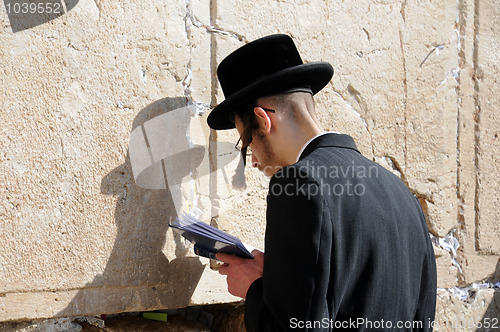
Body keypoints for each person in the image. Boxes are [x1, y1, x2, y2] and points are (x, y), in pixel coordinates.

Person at [207, 34, 437, 331]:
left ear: (264, 120)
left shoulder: (298, 183)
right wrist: (277, 281)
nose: (252, 160)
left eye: (247, 141)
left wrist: (253, 288)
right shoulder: (399, 192)